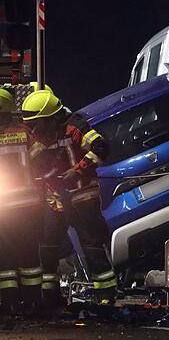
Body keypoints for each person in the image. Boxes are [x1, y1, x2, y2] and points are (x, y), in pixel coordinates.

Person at [21, 90, 117, 307]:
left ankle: (106, 295)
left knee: (91, 245)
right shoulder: (40, 135)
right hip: (55, 199)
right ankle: (50, 296)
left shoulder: (74, 127)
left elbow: (101, 148)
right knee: (47, 246)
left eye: (38, 123)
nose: (35, 129)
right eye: (32, 124)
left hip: (82, 197)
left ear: (52, 118)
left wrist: (78, 171)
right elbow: (34, 161)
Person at [0, 89, 43, 315]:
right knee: (29, 255)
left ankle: (9, 303)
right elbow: (42, 159)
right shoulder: (25, 133)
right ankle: (33, 302)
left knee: (5, 257)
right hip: (28, 206)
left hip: (3, 209)